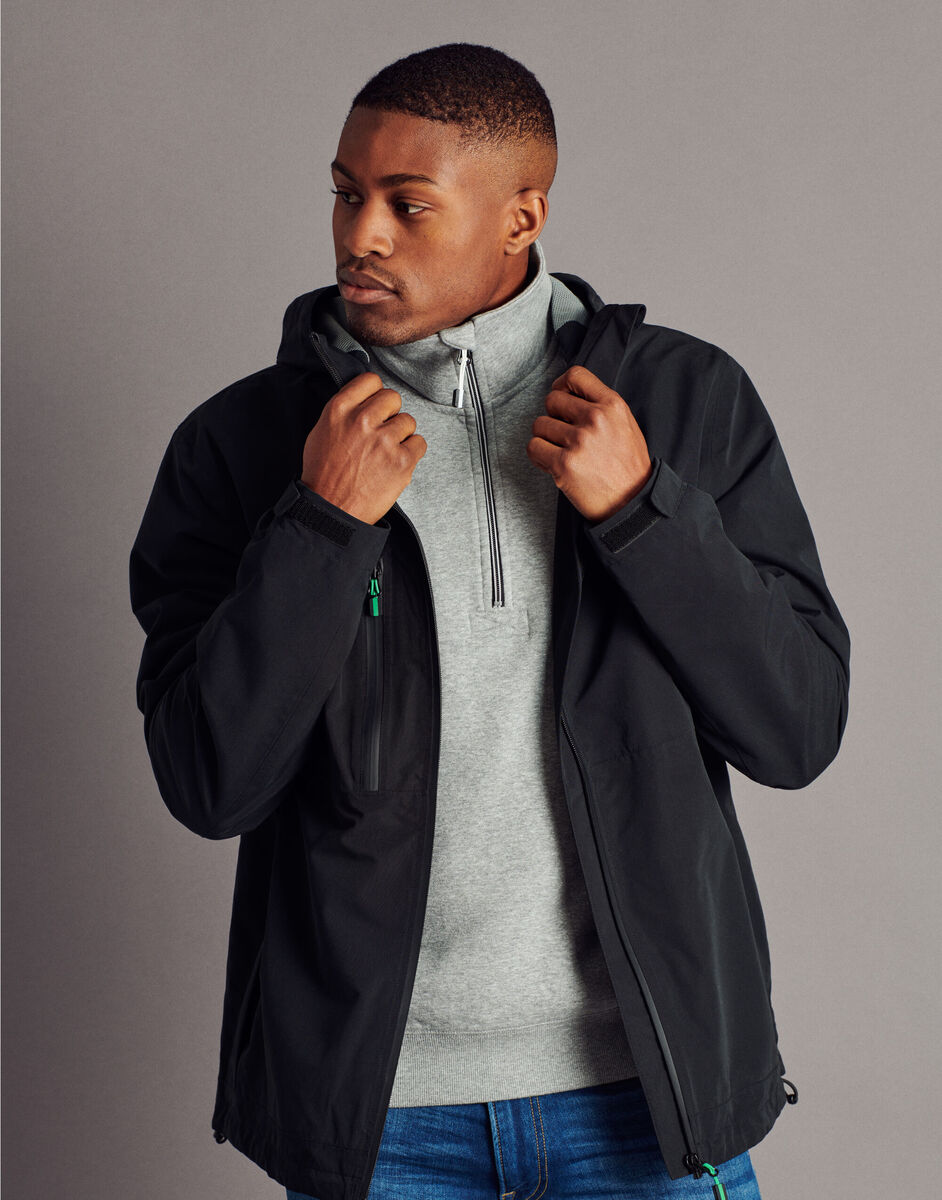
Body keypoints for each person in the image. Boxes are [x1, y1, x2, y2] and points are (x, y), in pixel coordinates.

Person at [129, 42, 850, 1200]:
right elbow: (210, 783)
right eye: (346, 193)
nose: (361, 234)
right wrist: (320, 526)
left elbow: (797, 728)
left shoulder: (684, 403)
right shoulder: (246, 447)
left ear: (523, 217)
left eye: (407, 204)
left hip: (645, 1107)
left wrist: (643, 514)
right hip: (382, 1128)